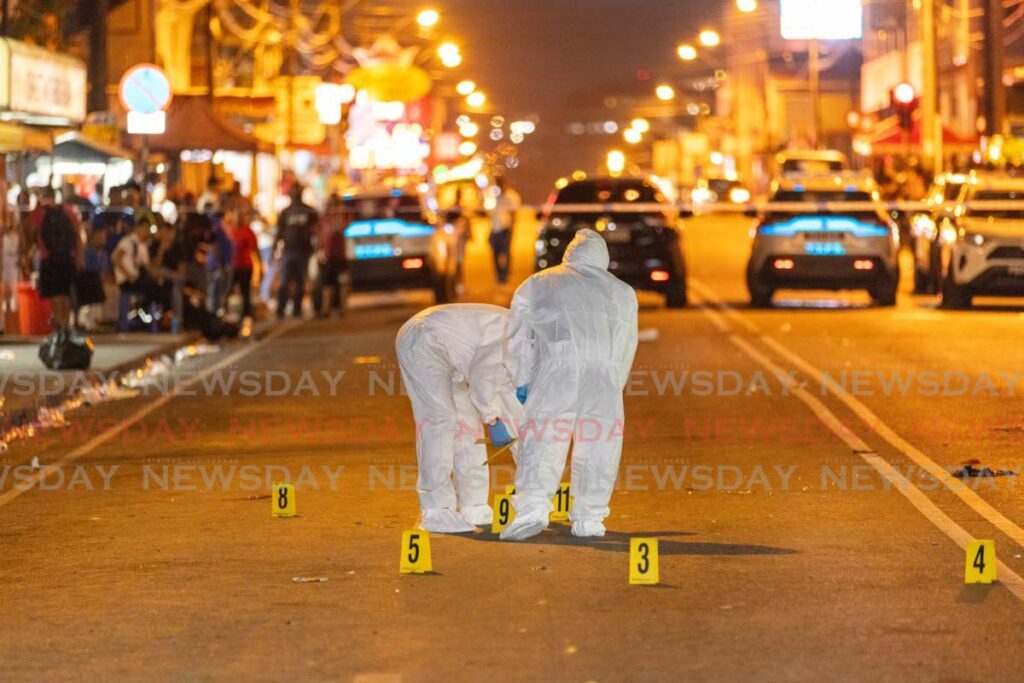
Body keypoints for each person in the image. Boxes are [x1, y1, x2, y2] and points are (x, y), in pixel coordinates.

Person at [499, 229, 638, 541]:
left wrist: (521, 379)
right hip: (604, 372)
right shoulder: (622, 292)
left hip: (557, 367)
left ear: (570, 254)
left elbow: (519, 336)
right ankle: (590, 517)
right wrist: (614, 383)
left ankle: (533, 509)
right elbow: (627, 344)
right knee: (600, 441)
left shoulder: (539, 283)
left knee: (544, 436)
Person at [396, 303, 525, 533]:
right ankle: (435, 509)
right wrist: (493, 419)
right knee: (439, 419)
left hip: (448, 346)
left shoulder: (527, 352)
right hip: (423, 337)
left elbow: (516, 416)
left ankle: (473, 504)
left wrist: (532, 487)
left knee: (468, 424)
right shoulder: (513, 337)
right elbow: (483, 381)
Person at [34, 187, 81, 333]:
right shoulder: (69, 212)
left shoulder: (40, 212)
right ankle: (66, 323)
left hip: (48, 258)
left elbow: (33, 232)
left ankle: (59, 324)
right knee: (65, 292)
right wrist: (78, 256)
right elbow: (77, 235)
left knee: (54, 293)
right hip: (67, 258)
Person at [274, 183, 318, 319]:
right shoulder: (285, 212)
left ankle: (296, 308)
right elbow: (279, 232)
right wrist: (274, 248)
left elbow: (316, 231)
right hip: (289, 250)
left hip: (302, 251)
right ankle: (282, 309)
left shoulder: (309, 211)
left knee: (298, 281)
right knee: (286, 281)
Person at [111, 214, 154, 332]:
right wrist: (127, 275)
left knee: (155, 288)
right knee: (150, 289)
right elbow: (116, 259)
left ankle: (147, 321)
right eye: (144, 229)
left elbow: (146, 265)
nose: (145, 232)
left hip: (136, 278)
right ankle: (129, 322)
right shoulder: (128, 241)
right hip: (126, 279)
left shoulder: (143, 245)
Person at [312, 200, 349, 317]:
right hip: (328, 256)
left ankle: (340, 308)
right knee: (327, 283)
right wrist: (318, 251)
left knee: (340, 283)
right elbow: (319, 236)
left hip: (339, 256)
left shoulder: (340, 218)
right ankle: (327, 308)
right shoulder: (325, 220)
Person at [227, 210, 260, 320]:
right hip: (233, 266)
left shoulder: (248, 232)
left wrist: (259, 264)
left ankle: (246, 315)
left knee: (245, 292)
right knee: (228, 290)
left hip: (245, 266)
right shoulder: (230, 231)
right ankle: (225, 313)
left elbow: (254, 248)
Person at [488, 176, 520, 285]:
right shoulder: (494, 196)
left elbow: (514, 213)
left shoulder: (511, 196)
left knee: (506, 253)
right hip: (494, 228)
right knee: (495, 253)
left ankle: (505, 274)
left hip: (505, 229)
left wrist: (511, 228)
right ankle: (499, 275)